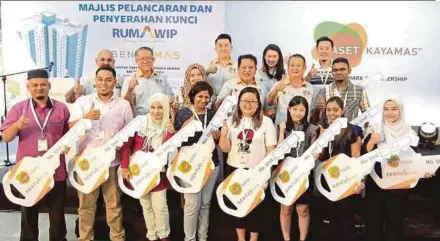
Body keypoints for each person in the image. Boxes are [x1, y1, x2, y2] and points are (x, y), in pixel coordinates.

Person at [0, 68, 70, 241]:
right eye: (35, 85)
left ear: (49, 86)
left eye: (43, 84)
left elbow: (67, 135)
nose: (39, 88)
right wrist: (16, 125)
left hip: (56, 172)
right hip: (28, 174)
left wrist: (68, 145)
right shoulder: (19, 109)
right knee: (29, 216)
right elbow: (6, 137)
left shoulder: (62, 109)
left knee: (57, 216)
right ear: (28, 87)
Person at [69, 65, 133, 241]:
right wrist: (86, 118)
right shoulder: (83, 102)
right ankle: (85, 238)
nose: (103, 84)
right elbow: (70, 128)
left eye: (108, 80)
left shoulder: (124, 105)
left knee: (113, 206)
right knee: (86, 206)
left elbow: (129, 136)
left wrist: (126, 163)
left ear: (115, 82)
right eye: (100, 80)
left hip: (112, 163)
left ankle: (117, 238)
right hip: (86, 164)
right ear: (95, 82)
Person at [362, 98, 432, 241]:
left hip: (399, 186)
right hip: (376, 184)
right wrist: (371, 142)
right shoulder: (374, 128)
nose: (390, 113)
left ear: (400, 110)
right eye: (386, 109)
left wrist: (424, 170)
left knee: (394, 226)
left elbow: (413, 159)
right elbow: (363, 157)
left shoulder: (408, 132)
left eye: (394, 109)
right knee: (373, 225)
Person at [219, 87, 277, 241]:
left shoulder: (266, 122)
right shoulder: (231, 121)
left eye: (252, 101)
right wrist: (223, 135)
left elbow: (271, 152)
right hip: (234, 169)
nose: (248, 104)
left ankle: (253, 238)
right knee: (236, 202)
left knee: (255, 207)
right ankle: (241, 238)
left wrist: (265, 175)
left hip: (256, 171)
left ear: (258, 104)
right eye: (245, 101)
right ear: (239, 103)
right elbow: (225, 149)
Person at [173, 81, 221, 241]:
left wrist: (218, 137)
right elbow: (176, 141)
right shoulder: (183, 113)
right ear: (193, 96)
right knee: (192, 205)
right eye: (200, 96)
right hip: (189, 167)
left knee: (206, 204)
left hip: (210, 165)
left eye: (207, 97)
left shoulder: (214, 115)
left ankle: (203, 237)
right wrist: (185, 128)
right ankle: (190, 238)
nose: (203, 100)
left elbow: (221, 141)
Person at [121, 93, 173, 241]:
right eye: (153, 107)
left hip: (158, 174)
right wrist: (125, 167)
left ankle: (163, 235)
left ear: (166, 109)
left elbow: (166, 151)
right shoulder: (140, 123)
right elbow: (126, 146)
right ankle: (152, 235)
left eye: (160, 108)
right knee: (146, 206)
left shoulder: (167, 126)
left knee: (160, 206)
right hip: (139, 173)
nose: (156, 111)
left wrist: (169, 133)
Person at [315, 96, 363, 241]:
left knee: (346, 216)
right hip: (329, 180)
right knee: (332, 216)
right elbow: (320, 156)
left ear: (343, 111)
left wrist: (358, 181)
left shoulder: (351, 130)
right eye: (329, 110)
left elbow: (356, 156)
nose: (332, 113)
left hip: (346, 180)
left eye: (335, 110)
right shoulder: (324, 130)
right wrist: (321, 139)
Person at [277, 96, 318, 241]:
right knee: (286, 208)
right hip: (285, 174)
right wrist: (282, 131)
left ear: (306, 111)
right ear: (289, 109)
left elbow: (313, 153)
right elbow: (279, 151)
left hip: (304, 174)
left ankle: (302, 238)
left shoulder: (313, 129)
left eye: (302, 110)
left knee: (303, 209)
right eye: (295, 109)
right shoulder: (282, 126)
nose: (298, 113)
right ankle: (286, 238)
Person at [121, 46, 175, 116]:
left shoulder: (162, 79)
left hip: (159, 120)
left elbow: (170, 100)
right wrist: (130, 89)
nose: (145, 61)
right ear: (136, 60)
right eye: (142, 59)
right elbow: (124, 104)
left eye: (148, 58)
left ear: (153, 60)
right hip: (139, 120)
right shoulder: (130, 80)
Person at [266, 54, 317, 125]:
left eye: (298, 66)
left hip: (303, 131)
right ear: (287, 67)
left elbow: (312, 111)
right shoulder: (280, 85)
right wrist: (276, 90)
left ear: (304, 68)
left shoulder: (310, 88)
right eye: (292, 65)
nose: (295, 68)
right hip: (282, 130)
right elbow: (269, 103)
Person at [315, 57, 370, 123]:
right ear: (331, 72)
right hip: (329, 131)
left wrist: (361, 129)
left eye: (342, 69)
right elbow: (317, 117)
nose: (338, 72)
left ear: (349, 71)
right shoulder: (324, 91)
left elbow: (367, 114)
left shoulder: (359, 90)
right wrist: (318, 109)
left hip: (350, 132)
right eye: (335, 70)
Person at [257, 44, 286, 119]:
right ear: (264, 56)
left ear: (279, 57)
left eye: (274, 56)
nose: (271, 59)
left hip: (280, 115)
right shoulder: (258, 74)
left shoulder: (285, 74)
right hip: (262, 115)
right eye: (269, 56)